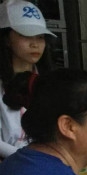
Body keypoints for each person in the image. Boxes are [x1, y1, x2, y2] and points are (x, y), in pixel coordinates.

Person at [0, 0, 54, 159]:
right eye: (26, 35)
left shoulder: (50, 80)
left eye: (40, 37)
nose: (35, 44)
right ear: (6, 39)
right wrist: (28, 159)